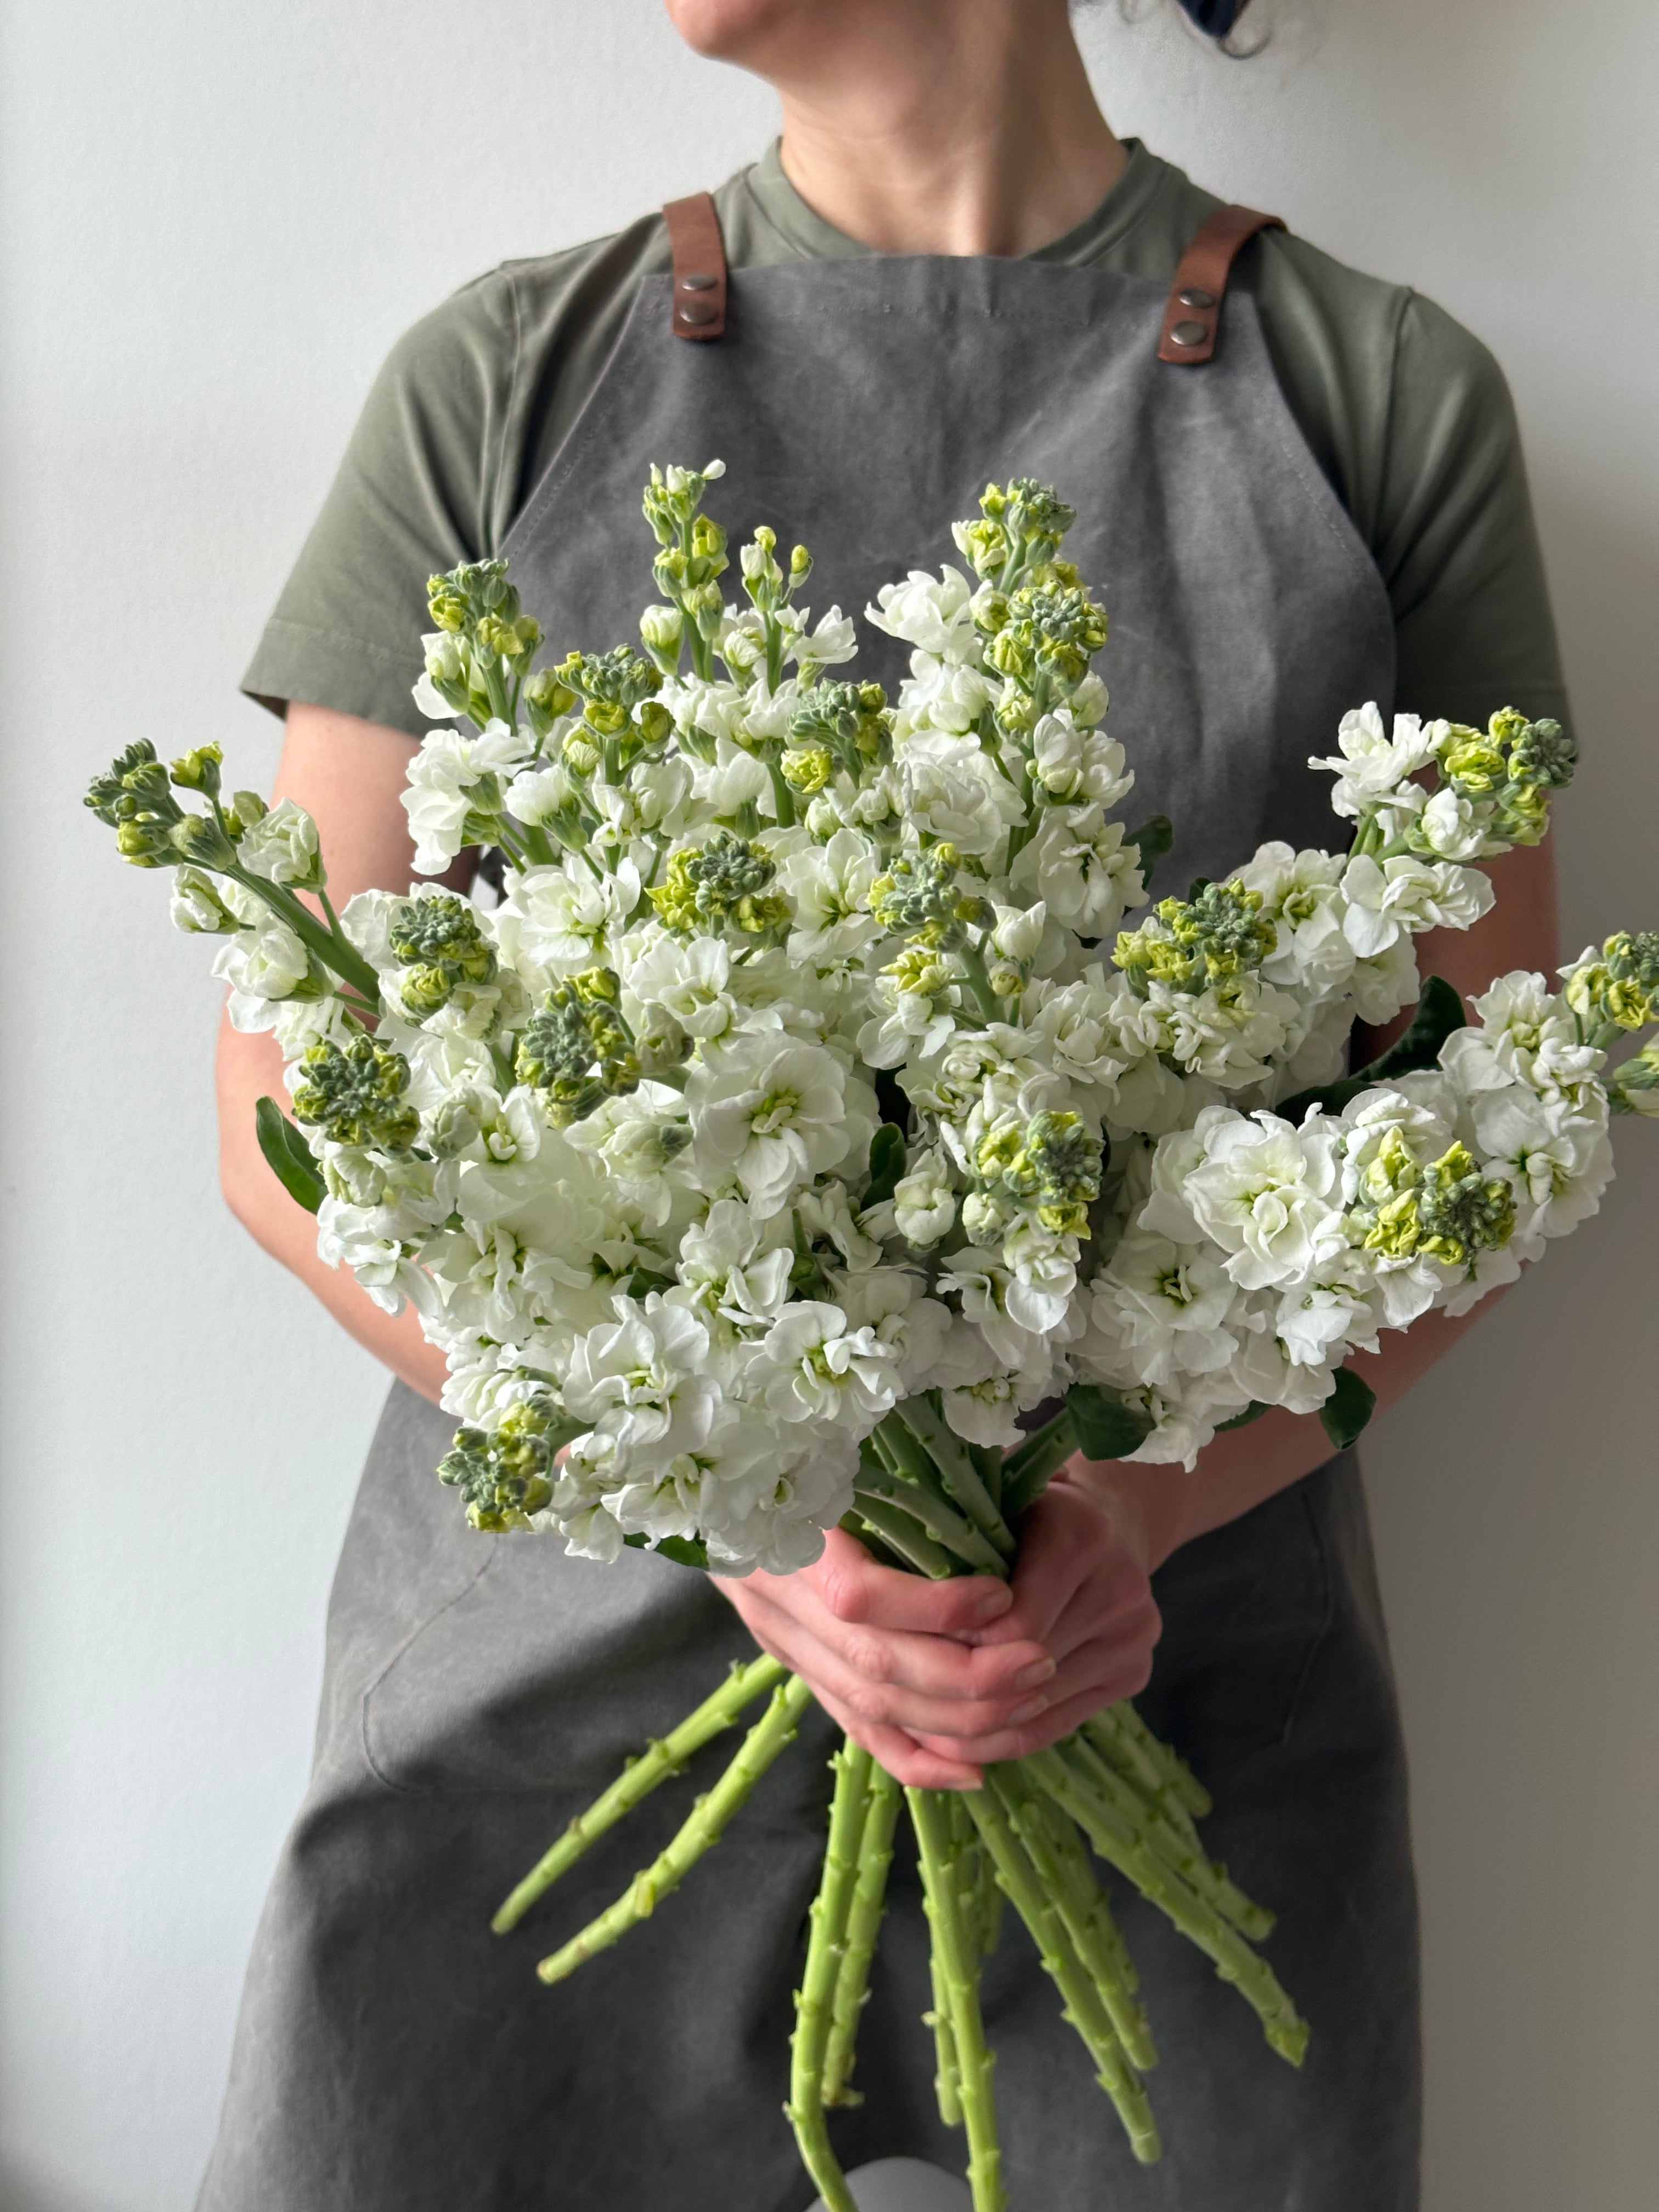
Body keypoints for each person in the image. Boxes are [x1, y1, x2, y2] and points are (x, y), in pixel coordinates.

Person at [204, 2, 1568, 2207]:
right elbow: (294, 1085)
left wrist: (1134, 1513)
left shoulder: (1376, 397)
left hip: (1163, 1684)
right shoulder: (502, 382)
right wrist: (726, 1505)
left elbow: (1493, 1122)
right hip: (541, 1763)